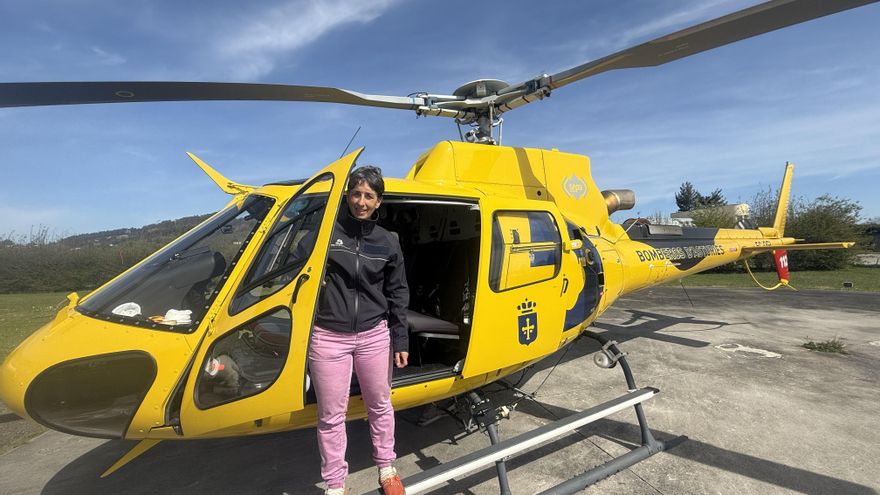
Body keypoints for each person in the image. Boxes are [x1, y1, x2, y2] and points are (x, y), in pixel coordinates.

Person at [308, 166, 409, 495]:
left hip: (373, 334)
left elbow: (398, 293)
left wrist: (400, 338)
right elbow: (302, 274)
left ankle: (387, 468)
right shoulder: (327, 233)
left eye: (369, 196)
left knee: (380, 404)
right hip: (328, 336)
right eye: (356, 194)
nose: (361, 201)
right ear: (347, 195)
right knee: (330, 415)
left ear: (379, 201)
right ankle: (335, 484)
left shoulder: (387, 241)